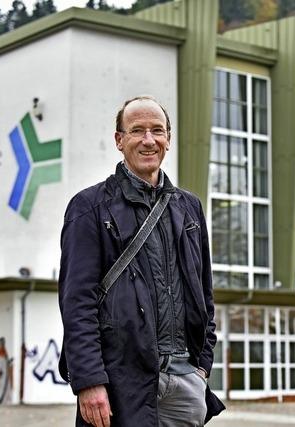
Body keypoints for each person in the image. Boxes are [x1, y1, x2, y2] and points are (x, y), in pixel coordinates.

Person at [58, 95, 224, 427]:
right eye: (137, 131)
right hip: (122, 384)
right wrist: (89, 380)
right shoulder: (90, 208)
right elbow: (78, 303)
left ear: (168, 139)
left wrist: (202, 366)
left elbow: (204, 295)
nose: (149, 140)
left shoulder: (189, 208)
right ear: (120, 140)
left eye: (157, 130)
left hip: (185, 379)